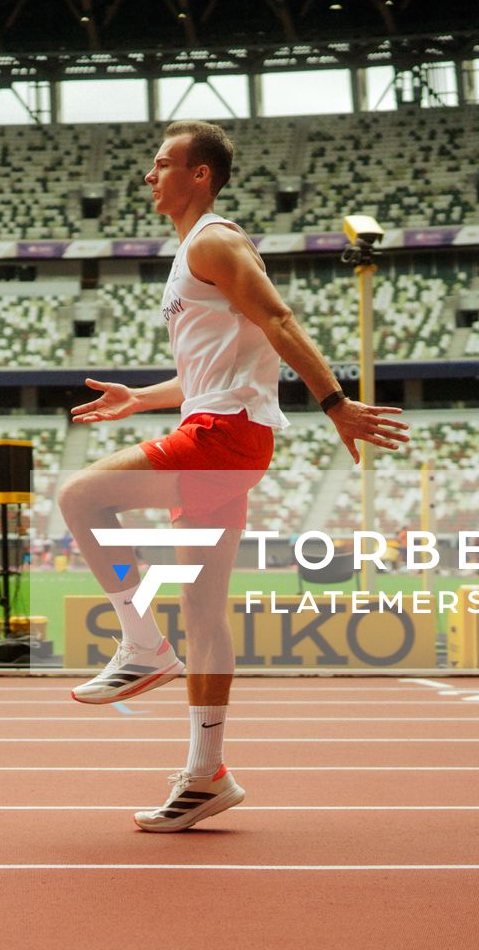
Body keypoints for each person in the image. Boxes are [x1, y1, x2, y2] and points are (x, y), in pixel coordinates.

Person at [57, 121, 409, 833]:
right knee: (204, 613)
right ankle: (206, 774)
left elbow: (277, 319)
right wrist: (142, 398)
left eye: (163, 164)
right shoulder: (193, 251)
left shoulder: (215, 241)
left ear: (202, 176)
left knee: (80, 494)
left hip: (222, 436)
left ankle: (140, 643)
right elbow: (209, 370)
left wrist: (335, 402)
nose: (149, 176)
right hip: (221, 430)